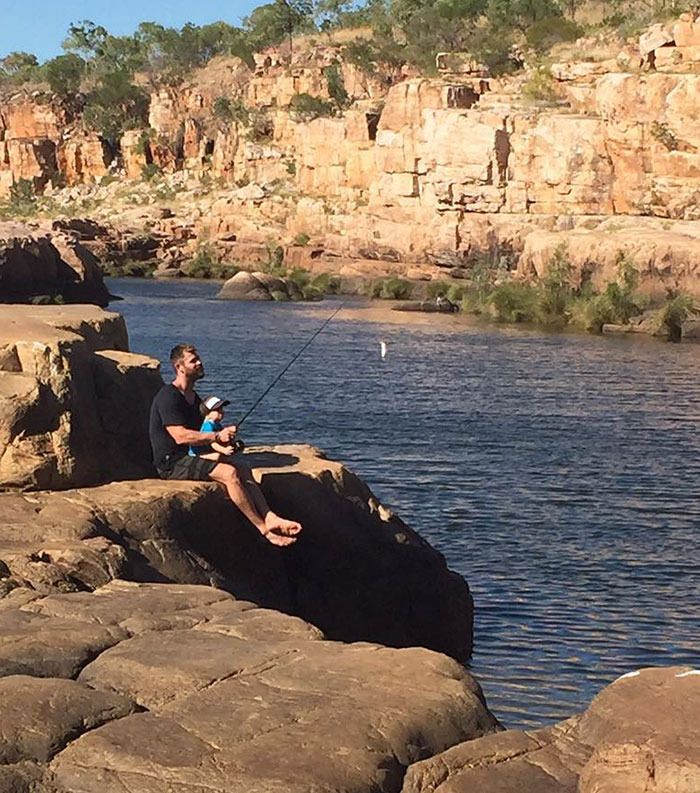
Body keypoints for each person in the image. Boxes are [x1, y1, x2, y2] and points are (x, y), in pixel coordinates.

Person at [149, 343, 302, 546]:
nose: (199, 363)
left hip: (190, 455)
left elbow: (202, 434)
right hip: (171, 462)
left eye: (198, 359)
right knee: (229, 474)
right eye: (193, 361)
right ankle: (264, 530)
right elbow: (180, 436)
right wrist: (216, 436)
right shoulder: (169, 396)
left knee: (243, 468)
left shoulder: (194, 399)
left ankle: (270, 516)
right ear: (179, 367)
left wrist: (224, 438)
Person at [189, 396, 234, 462]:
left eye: (221, 409)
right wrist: (224, 450)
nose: (221, 412)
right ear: (208, 413)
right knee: (216, 456)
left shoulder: (216, 424)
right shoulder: (208, 425)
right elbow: (212, 442)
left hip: (207, 450)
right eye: (217, 410)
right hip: (198, 453)